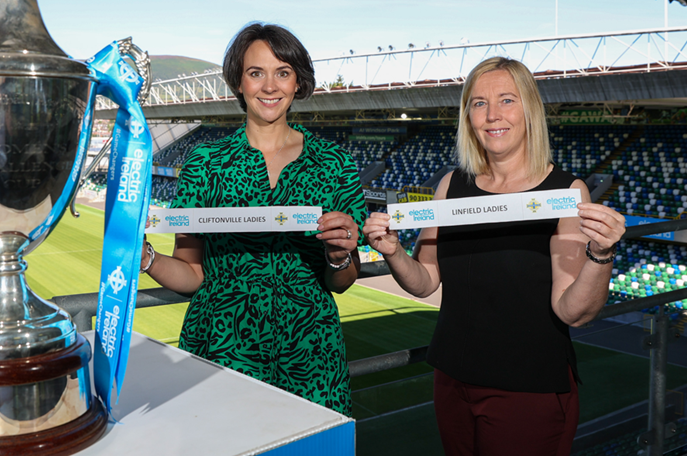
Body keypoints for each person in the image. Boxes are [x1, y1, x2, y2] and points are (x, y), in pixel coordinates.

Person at [363, 57, 625, 455]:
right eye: (479, 103)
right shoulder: (451, 184)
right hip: (452, 378)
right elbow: (426, 281)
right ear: (467, 115)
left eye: (507, 100)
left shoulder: (565, 192)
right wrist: (394, 251)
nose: (492, 115)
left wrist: (601, 253)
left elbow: (575, 312)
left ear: (530, 110)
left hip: (528, 388)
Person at [140, 23, 366, 415]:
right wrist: (146, 259)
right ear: (239, 83)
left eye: (283, 72)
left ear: (298, 82)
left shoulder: (335, 165)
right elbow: (193, 274)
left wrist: (339, 255)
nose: (269, 86)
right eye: (255, 72)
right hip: (222, 345)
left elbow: (342, 282)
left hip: (310, 349)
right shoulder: (205, 163)